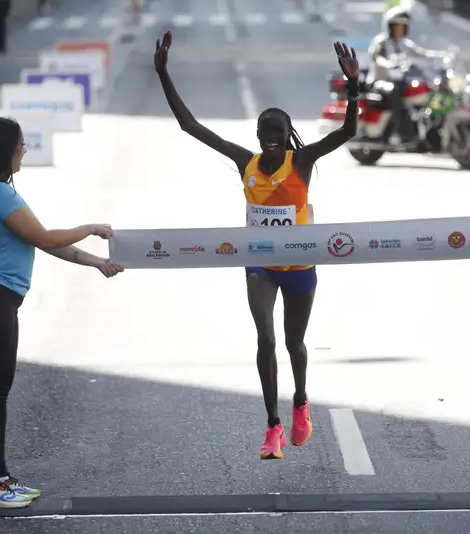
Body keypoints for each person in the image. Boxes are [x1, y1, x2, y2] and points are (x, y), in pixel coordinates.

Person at [153, 31, 360, 460]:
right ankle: (272, 426)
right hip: (260, 266)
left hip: (300, 266)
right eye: (265, 132)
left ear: (287, 136)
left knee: (293, 344)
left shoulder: (300, 161)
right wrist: (162, 74)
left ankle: (300, 401)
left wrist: (353, 86)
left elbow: (348, 131)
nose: (270, 139)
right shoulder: (244, 161)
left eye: (278, 133)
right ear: (257, 133)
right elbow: (190, 126)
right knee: (265, 339)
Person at [0, 116, 125, 508]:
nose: (24, 150)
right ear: (5, 149)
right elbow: (47, 237)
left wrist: (96, 262)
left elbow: (46, 243)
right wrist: (90, 227)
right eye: (20, 144)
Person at [367, 6, 451, 146]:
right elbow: (378, 58)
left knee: (423, 88)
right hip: (380, 81)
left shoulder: (404, 44)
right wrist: (388, 63)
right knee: (395, 91)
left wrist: (441, 55)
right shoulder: (380, 42)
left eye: (403, 26)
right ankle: (400, 132)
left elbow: (420, 53)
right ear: (390, 27)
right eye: (397, 26)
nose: (401, 29)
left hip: (399, 81)